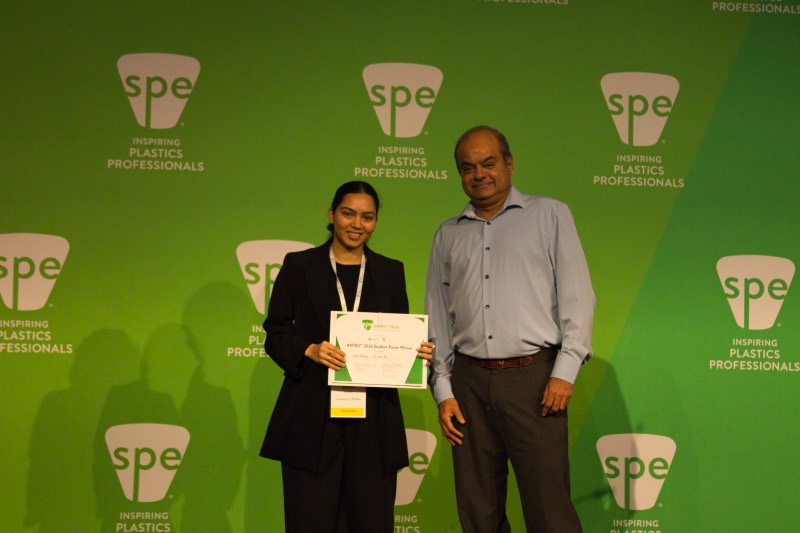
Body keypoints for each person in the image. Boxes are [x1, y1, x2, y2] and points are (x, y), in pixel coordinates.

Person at [425, 126, 595, 532]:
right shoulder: (448, 233)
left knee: (549, 509)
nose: (479, 174)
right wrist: (443, 391)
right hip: (467, 384)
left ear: (509, 164)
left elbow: (578, 297)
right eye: (468, 167)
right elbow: (437, 317)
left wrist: (565, 371)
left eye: (488, 163)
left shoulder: (550, 214)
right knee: (477, 509)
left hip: (534, 380)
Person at [260, 180, 433, 532]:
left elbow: (399, 332)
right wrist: (308, 349)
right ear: (331, 215)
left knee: (370, 521)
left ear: (376, 222)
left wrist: (417, 352)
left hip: (374, 420)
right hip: (312, 416)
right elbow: (275, 332)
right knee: (309, 520)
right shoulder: (299, 265)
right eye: (348, 214)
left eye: (367, 217)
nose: (357, 224)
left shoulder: (390, 271)